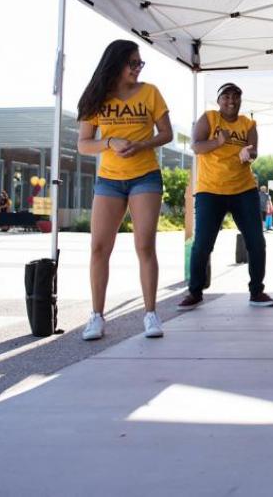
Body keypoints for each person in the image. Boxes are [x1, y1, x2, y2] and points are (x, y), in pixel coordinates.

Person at [76, 39, 173, 341]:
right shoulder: (96, 97)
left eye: (140, 63)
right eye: (133, 63)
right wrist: (109, 142)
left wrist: (143, 144)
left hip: (145, 176)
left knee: (144, 245)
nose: (137, 68)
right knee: (98, 248)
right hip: (109, 180)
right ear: (116, 64)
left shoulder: (150, 92)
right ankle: (96, 316)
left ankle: (150, 314)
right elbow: (82, 144)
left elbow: (167, 133)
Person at [177, 82, 273, 310]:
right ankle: (195, 291)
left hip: (243, 190)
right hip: (210, 190)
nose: (231, 101)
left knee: (256, 241)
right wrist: (219, 142)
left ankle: (257, 292)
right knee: (202, 243)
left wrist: (248, 154)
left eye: (236, 97)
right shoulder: (209, 119)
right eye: (226, 97)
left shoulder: (248, 124)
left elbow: (254, 152)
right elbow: (196, 146)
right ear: (219, 100)